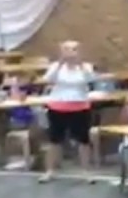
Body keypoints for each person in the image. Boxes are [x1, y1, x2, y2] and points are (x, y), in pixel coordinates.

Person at [39, 40, 99, 183]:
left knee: (83, 141)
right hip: (57, 107)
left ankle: (86, 172)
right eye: (67, 49)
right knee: (54, 140)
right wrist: (60, 63)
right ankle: (50, 171)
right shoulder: (56, 66)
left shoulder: (86, 67)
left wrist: (80, 64)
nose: (70, 53)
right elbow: (48, 79)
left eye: (74, 49)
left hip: (80, 107)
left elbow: (91, 79)